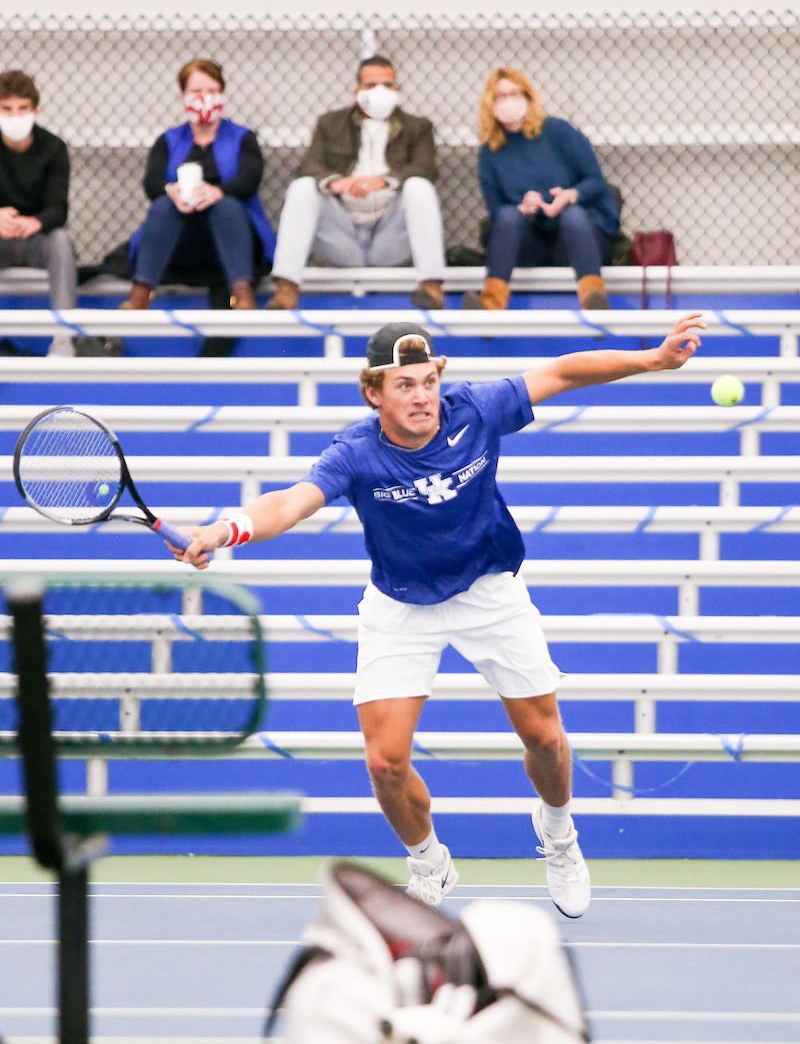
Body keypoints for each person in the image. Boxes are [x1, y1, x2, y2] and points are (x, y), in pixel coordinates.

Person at [167, 312, 705, 919]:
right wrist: (223, 530)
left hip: (488, 589)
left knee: (545, 738)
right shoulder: (355, 453)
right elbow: (290, 503)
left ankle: (558, 833)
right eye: (404, 384)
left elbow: (561, 371)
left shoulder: (475, 409)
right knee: (384, 761)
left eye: (427, 380)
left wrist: (653, 359)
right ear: (373, 392)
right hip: (401, 603)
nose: (421, 395)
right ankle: (429, 863)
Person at [268, 55, 447, 311]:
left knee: (420, 187)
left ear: (397, 90)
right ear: (357, 91)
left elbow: (426, 168)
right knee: (302, 187)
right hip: (343, 235)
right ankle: (286, 289)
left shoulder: (417, 128)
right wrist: (335, 183)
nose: (380, 92)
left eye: (387, 85)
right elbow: (309, 166)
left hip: (390, 236)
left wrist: (384, 182)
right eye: (371, 85)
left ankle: (431, 287)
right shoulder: (330, 124)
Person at [122, 58, 275, 313]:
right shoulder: (168, 140)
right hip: (182, 237)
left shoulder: (243, 138)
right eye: (196, 92)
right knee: (162, 205)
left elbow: (249, 179)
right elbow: (152, 183)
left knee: (226, 205)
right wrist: (172, 192)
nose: (205, 98)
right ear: (183, 97)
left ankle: (243, 295)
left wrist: (217, 192)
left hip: (232, 237)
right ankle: (139, 296)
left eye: (212, 92)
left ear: (222, 96)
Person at [469, 68, 620, 313]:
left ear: (528, 97)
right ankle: (490, 303)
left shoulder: (558, 131)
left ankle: (593, 299)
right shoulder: (490, 151)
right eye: (499, 97)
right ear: (490, 104)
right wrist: (523, 210)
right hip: (532, 243)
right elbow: (496, 213)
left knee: (573, 215)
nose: (507, 101)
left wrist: (568, 196)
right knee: (508, 216)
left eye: (514, 93)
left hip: (577, 239)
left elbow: (595, 181)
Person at [0, 70, 78, 357]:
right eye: (6, 109)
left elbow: (59, 209)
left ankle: (62, 339)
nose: (14, 116)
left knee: (61, 241)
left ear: (35, 111)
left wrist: (35, 222)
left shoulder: (53, 148)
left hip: (37, 240)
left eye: (22, 108)